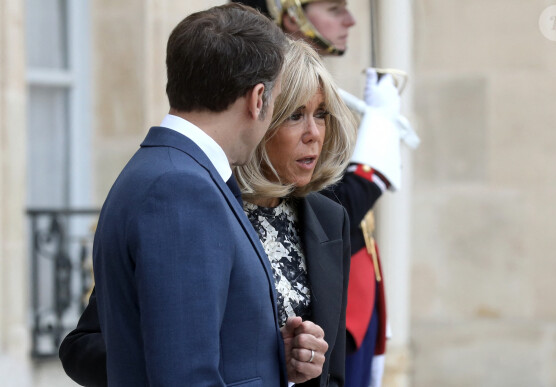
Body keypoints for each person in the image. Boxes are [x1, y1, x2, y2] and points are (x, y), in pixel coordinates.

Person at [59, 38, 356, 386]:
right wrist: (254, 361)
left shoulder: (329, 218)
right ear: (257, 111)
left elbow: (333, 372)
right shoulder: (192, 202)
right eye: (295, 115)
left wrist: (301, 363)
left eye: (321, 114)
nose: (314, 134)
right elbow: (84, 347)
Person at [87, 4, 294, 385]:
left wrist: (271, 355)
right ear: (258, 98)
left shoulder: (172, 173)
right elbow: (186, 375)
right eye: (278, 103)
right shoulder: (179, 189)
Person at [233, 1, 413, 386]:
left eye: (322, 115)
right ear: (290, 12)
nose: (349, 20)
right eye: (333, 8)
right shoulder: (209, 202)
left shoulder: (319, 208)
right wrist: (374, 161)